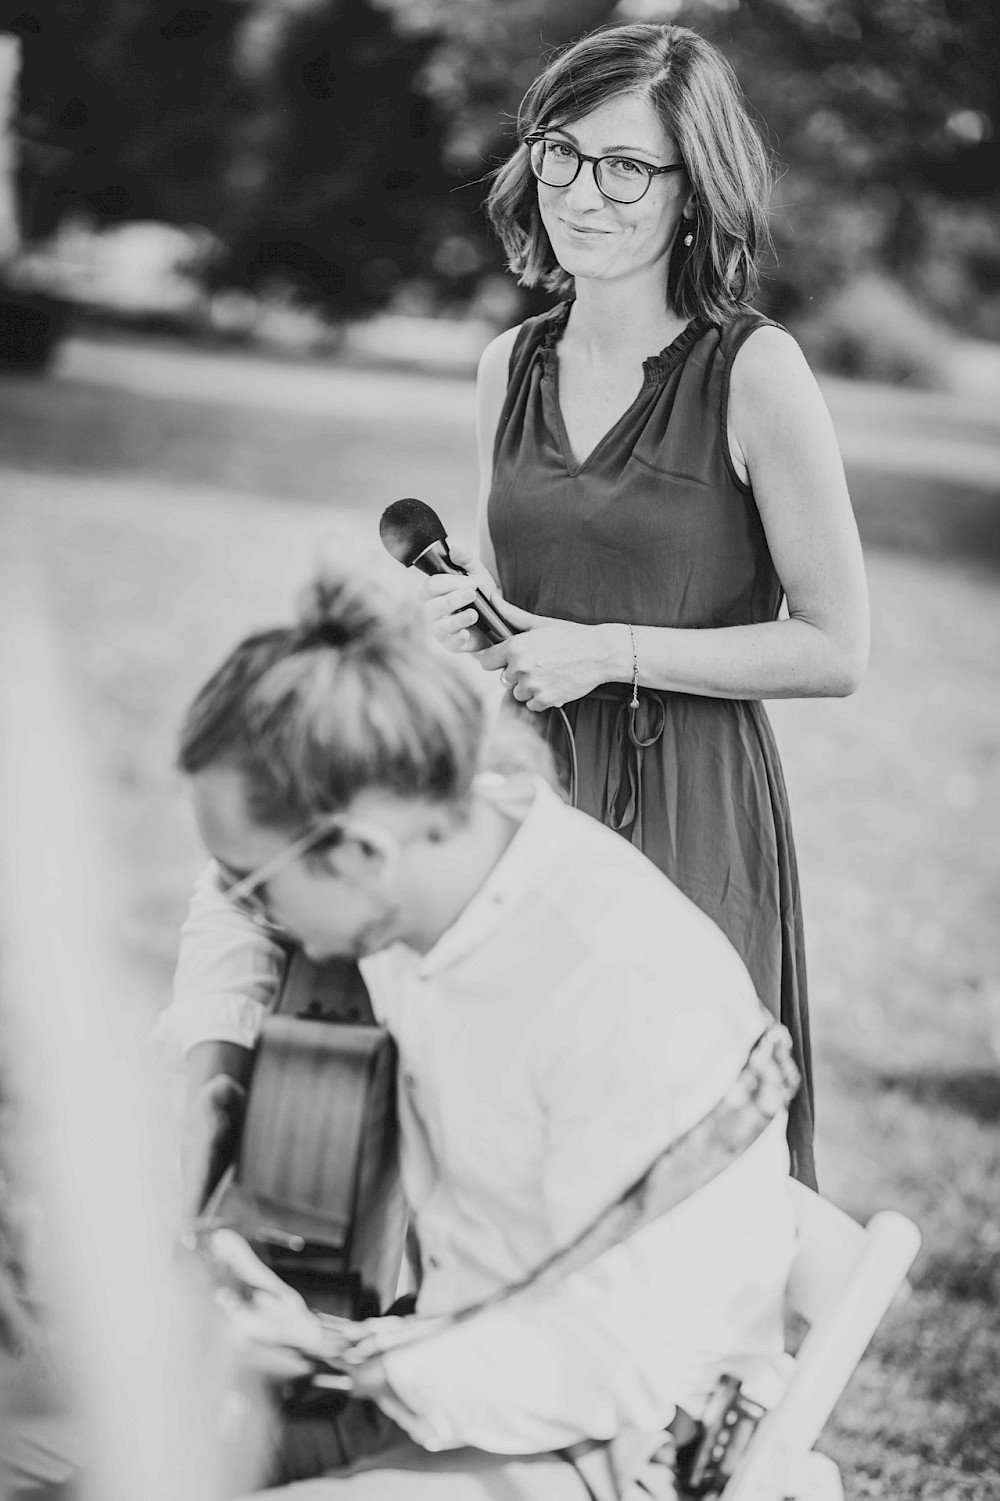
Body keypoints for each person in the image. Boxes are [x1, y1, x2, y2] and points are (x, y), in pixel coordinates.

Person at [164, 564, 796, 1500]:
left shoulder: (619, 986)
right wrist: (209, 1067)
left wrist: (333, 1353)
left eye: (259, 882)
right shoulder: (433, 857)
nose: (251, 903)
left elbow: (618, 1362)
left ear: (360, 854)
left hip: (612, 1440)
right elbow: (230, 909)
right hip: (442, 1370)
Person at [422, 21, 871, 1190]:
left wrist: (609, 651)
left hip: (689, 814)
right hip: (527, 811)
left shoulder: (753, 372)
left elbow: (835, 645)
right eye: (561, 153)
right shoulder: (504, 368)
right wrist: (477, 631)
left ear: (691, 190)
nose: (584, 192)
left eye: (627, 166)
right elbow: (523, 604)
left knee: (673, 1172)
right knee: (510, 1162)